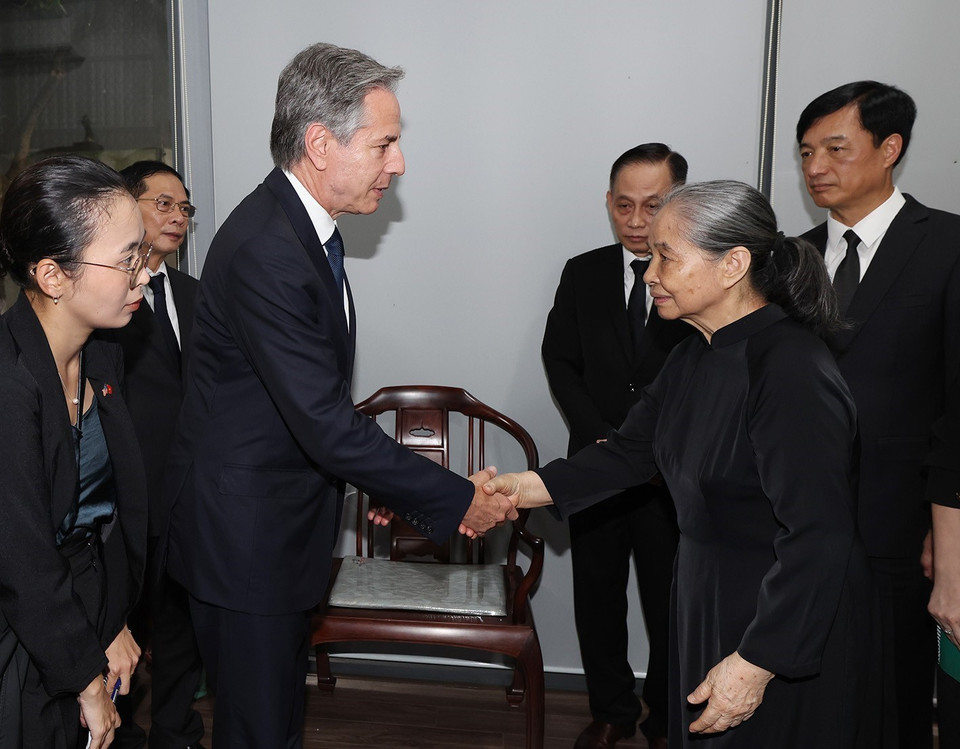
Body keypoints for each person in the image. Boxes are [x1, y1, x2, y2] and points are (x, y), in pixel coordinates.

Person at [162, 42, 515, 748]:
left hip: (277, 531)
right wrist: (453, 497)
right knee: (258, 731)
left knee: (276, 725)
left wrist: (372, 479)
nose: (399, 163)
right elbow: (324, 423)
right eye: (384, 143)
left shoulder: (309, 231)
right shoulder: (270, 248)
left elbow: (306, 404)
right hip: (246, 545)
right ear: (320, 143)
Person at [483, 180, 881, 747]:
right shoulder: (694, 353)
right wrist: (511, 492)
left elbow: (818, 535)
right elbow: (625, 454)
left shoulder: (789, 367)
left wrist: (756, 663)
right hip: (705, 599)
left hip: (778, 618)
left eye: (666, 257)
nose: (649, 274)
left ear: (733, 264)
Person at [795, 80, 960, 749]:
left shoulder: (947, 245)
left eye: (835, 148)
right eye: (805, 151)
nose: (814, 168)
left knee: (892, 702)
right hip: (798, 524)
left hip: (902, 529)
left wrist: (946, 541)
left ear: (889, 148)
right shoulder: (789, 255)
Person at [541, 143, 690, 749]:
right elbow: (560, 358)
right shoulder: (583, 271)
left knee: (668, 600)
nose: (634, 221)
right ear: (608, 202)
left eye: (651, 206)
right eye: (623, 205)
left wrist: (645, 444)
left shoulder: (695, 272)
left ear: (676, 203)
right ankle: (611, 710)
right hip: (597, 468)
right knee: (596, 595)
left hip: (668, 472)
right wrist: (603, 438)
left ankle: (664, 710)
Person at [0, 155, 149, 748]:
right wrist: (84, 674)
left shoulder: (104, 354)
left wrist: (110, 623)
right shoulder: (9, 384)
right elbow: (23, 557)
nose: (143, 275)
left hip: (81, 620)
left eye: (142, 253)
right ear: (52, 275)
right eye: (125, 260)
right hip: (20, 643)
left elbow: (100, 519)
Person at [106, 161, 204, 749]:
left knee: (179, 617)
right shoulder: (104, 293)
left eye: (184, 208)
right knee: (119, 618)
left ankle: (176, 730)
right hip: (120, 488)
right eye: (162, 203)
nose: (176, 217)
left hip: (186, 486)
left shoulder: (197, 294)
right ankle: (114, 733)